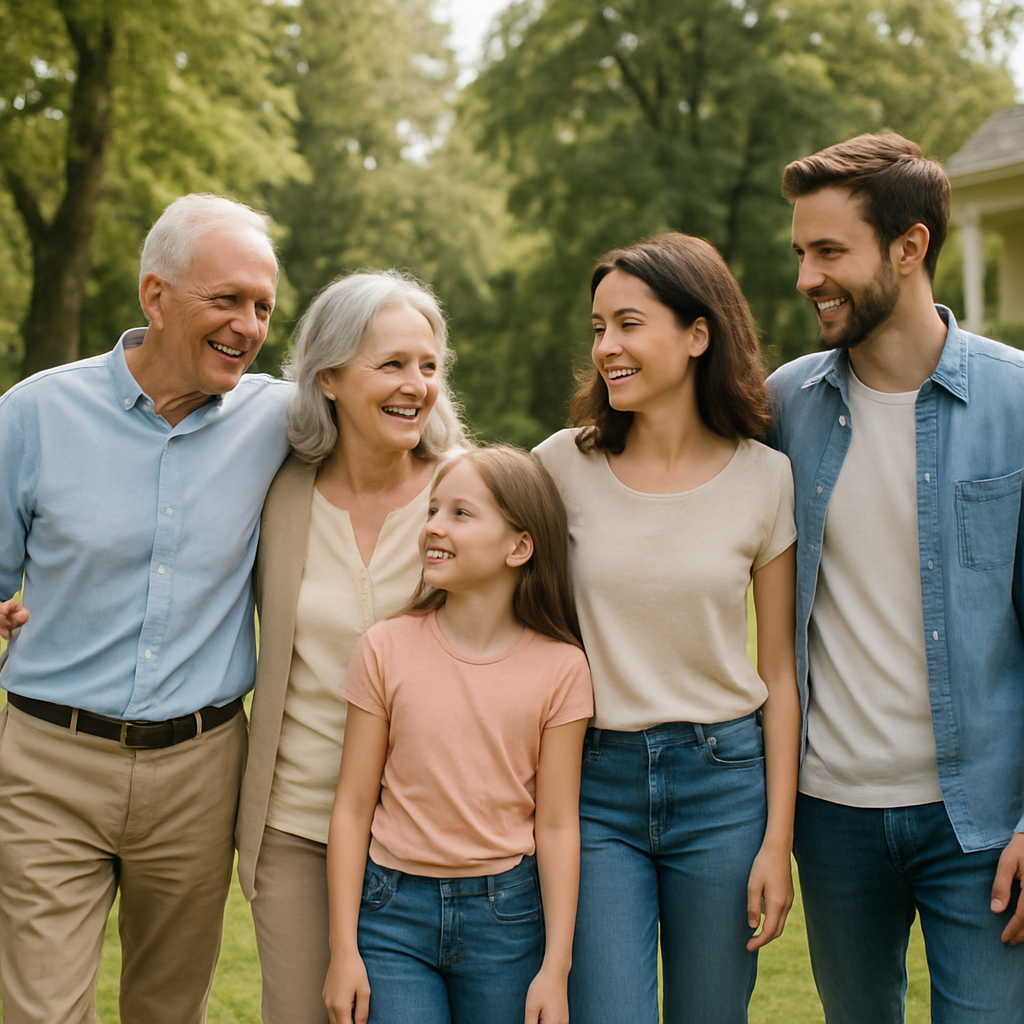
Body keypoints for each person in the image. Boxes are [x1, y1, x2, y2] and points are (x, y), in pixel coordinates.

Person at [0, 194, 291, 1024]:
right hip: (48, 764)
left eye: (263, 307)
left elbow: (397, 419)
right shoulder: (34, 415)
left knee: (169, 1011)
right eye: (226, 299)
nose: (248, 325)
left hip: (200, 771)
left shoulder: (280, 417)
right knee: (42, 1013)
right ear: (155, 295)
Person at [767, 131, 1024, 1023]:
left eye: (830, 251)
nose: (807, 277)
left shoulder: (1017, 402)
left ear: (909, 247)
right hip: (831, 815)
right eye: (801, 253)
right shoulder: (782, 407)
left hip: (984, 820)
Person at [533, 232, 801, 1024]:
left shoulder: (766, 477)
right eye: (598, 328)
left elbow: (779, 673)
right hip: (593, 785)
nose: (606, 347)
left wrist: (775, 841)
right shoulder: (558, 467)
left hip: (723, 784)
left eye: (628, 324)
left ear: (697, 333)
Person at [234, 270, 467, 1024]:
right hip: (298, 825)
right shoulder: (275, 491)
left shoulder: (463, 496)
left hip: (433, 835)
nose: (416, 385)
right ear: (328, 377)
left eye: (429, 366)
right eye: (392, 364)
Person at [323, 446, 593, 1024]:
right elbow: (352, 807)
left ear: (519, 547)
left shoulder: (562, 669)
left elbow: (557, 822)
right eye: (433, 511)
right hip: (392, 916)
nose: (435, 527)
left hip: (507, 920)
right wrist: (343, 950)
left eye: (461, 514)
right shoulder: (385, 649)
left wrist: (556, 967)